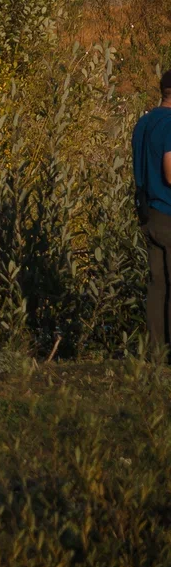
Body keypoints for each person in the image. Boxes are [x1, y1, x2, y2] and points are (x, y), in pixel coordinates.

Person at [133, 68, 171, 359]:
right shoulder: (170, 124)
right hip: (168, 212)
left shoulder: (143, 123)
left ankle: (155, 353)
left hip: (147, 214)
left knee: (157, 284)